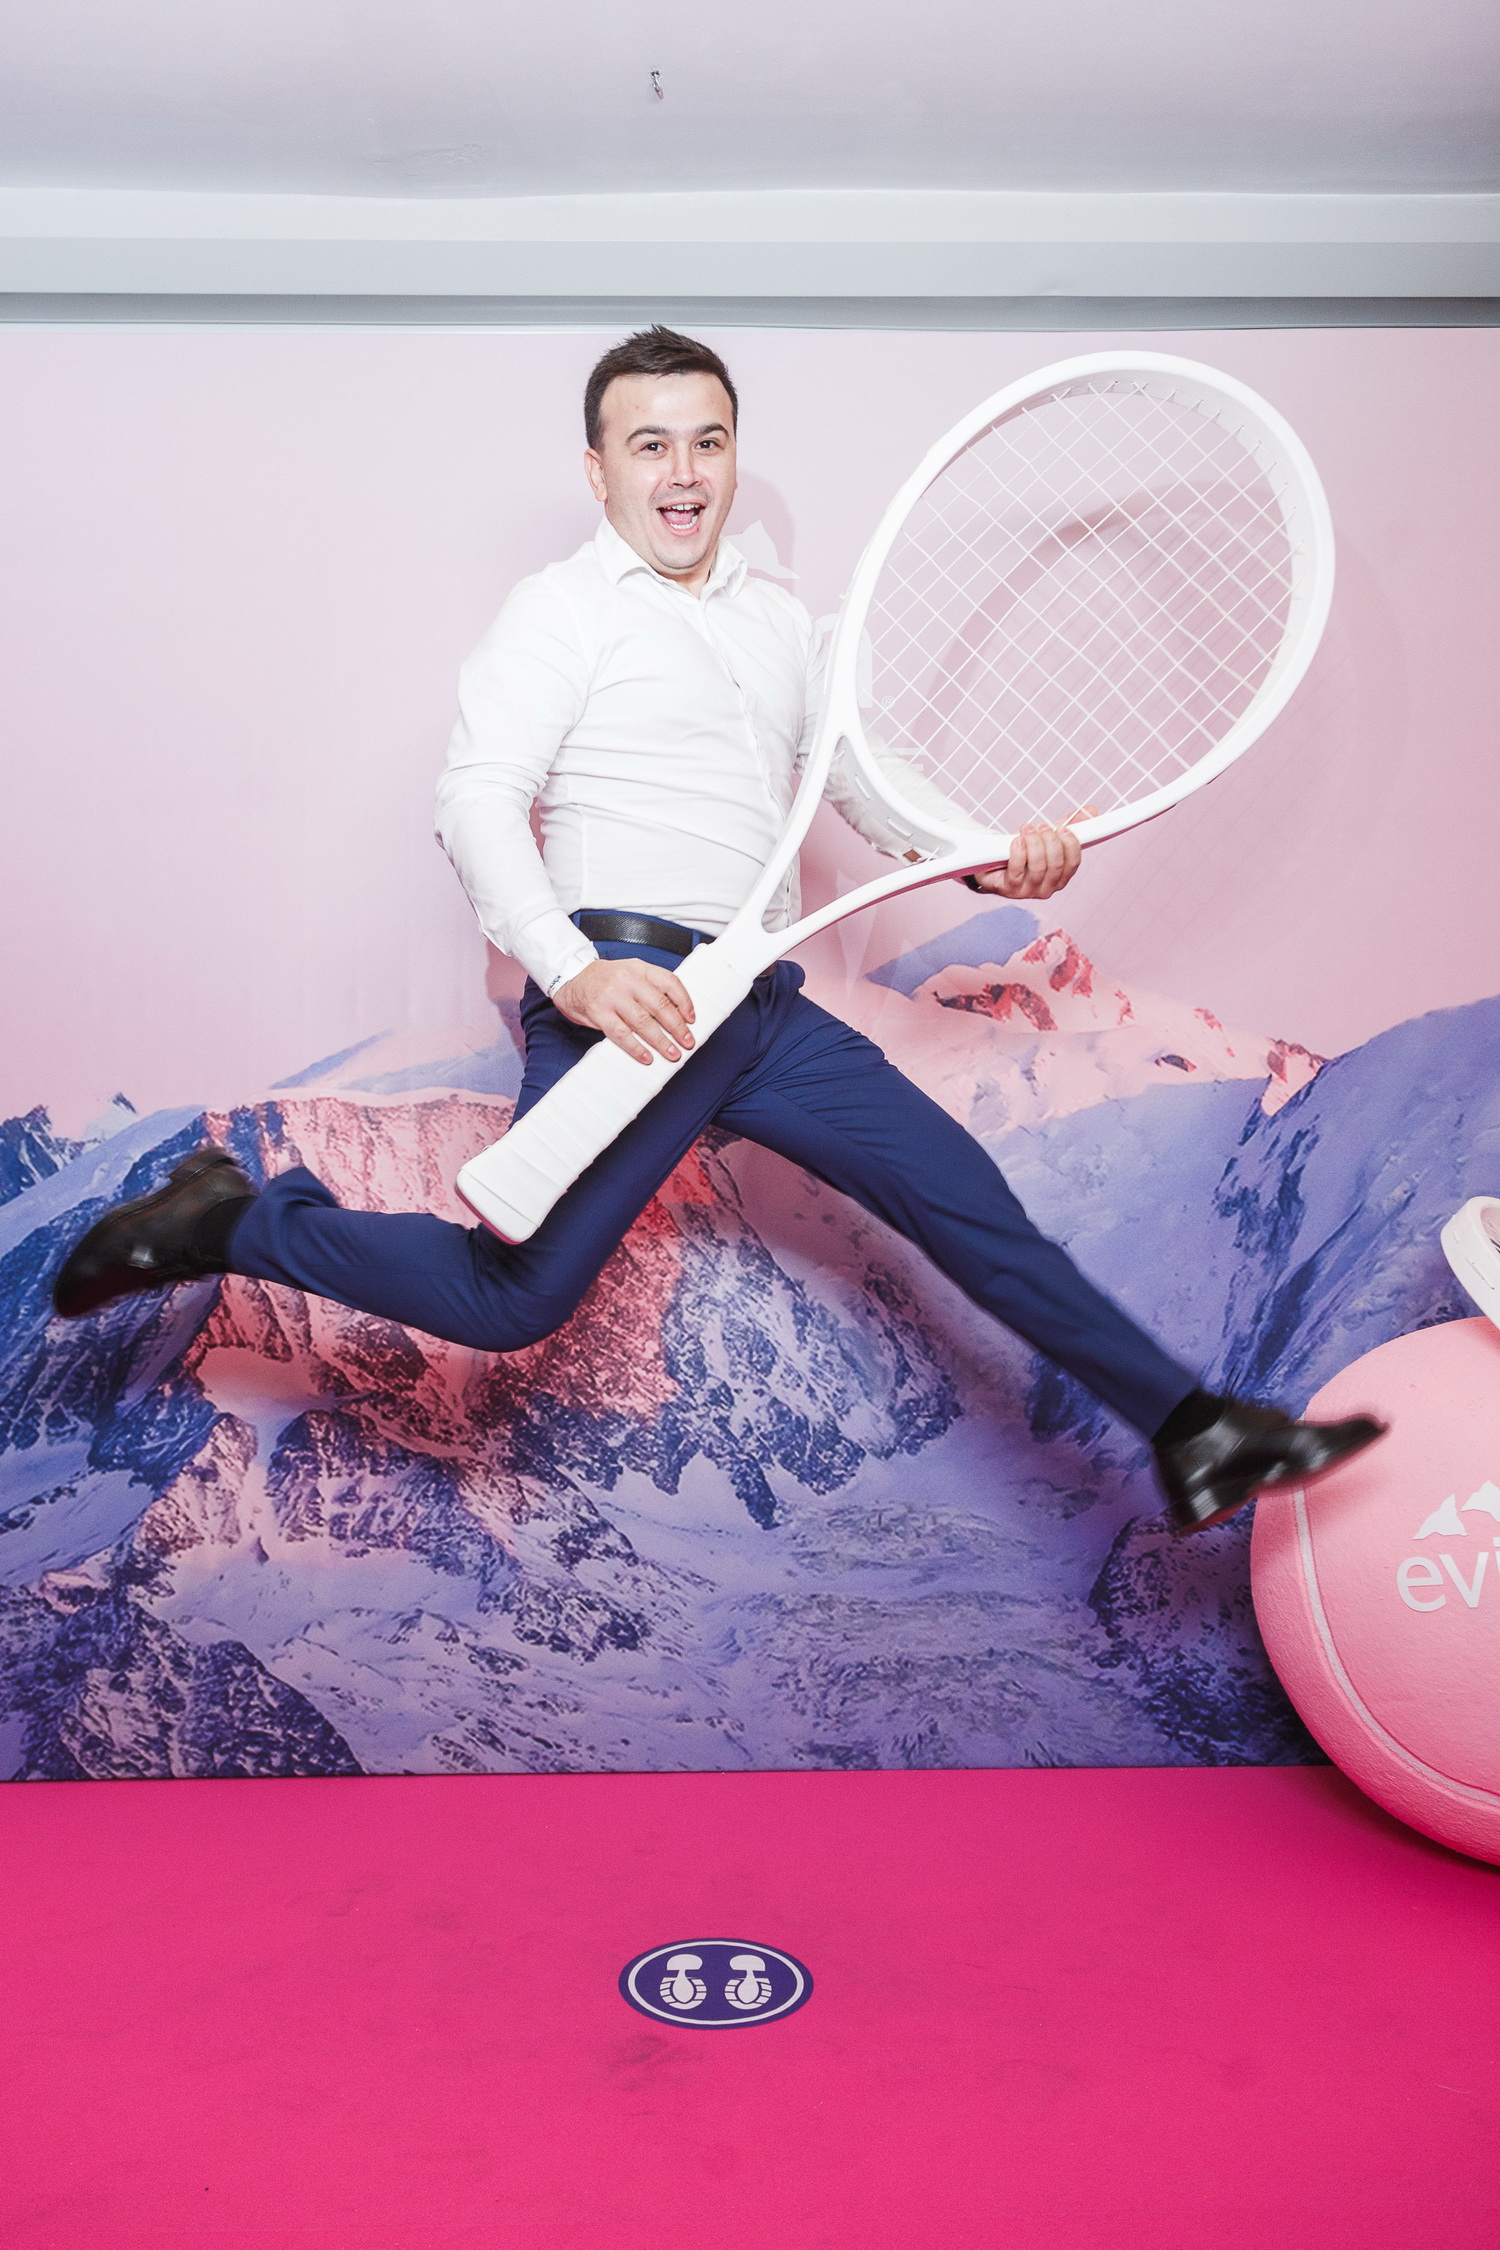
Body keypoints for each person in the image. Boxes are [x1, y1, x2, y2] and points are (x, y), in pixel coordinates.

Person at [53, 326, 1384, 1534]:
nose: (682, 472)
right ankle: (239, 1220)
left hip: (758, 1012)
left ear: (734, 455)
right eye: (649, 446)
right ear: (598, 472)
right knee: (510, 1299)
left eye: (707, 441)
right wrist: (576, 974)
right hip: (629, 990)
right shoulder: (560, 612)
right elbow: (474, 798)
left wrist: (1006, 858)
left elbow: (884, 809)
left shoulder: (784, 627)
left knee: (971, 1208)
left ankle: (1195, 1431)